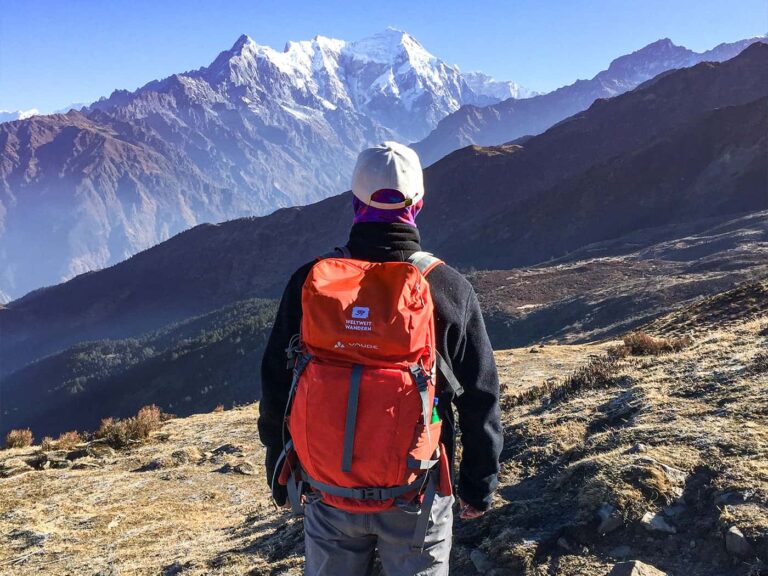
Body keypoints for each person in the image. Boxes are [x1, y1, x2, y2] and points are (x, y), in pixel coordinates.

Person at [258, 141, 502, 575]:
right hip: (418, 492)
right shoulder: (446, 287)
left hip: (328, 489)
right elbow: (480, 395)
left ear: (354, 203)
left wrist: (278, 461)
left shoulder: (310, 283)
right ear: (419, 204)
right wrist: (477, 485)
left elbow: (278, 381)